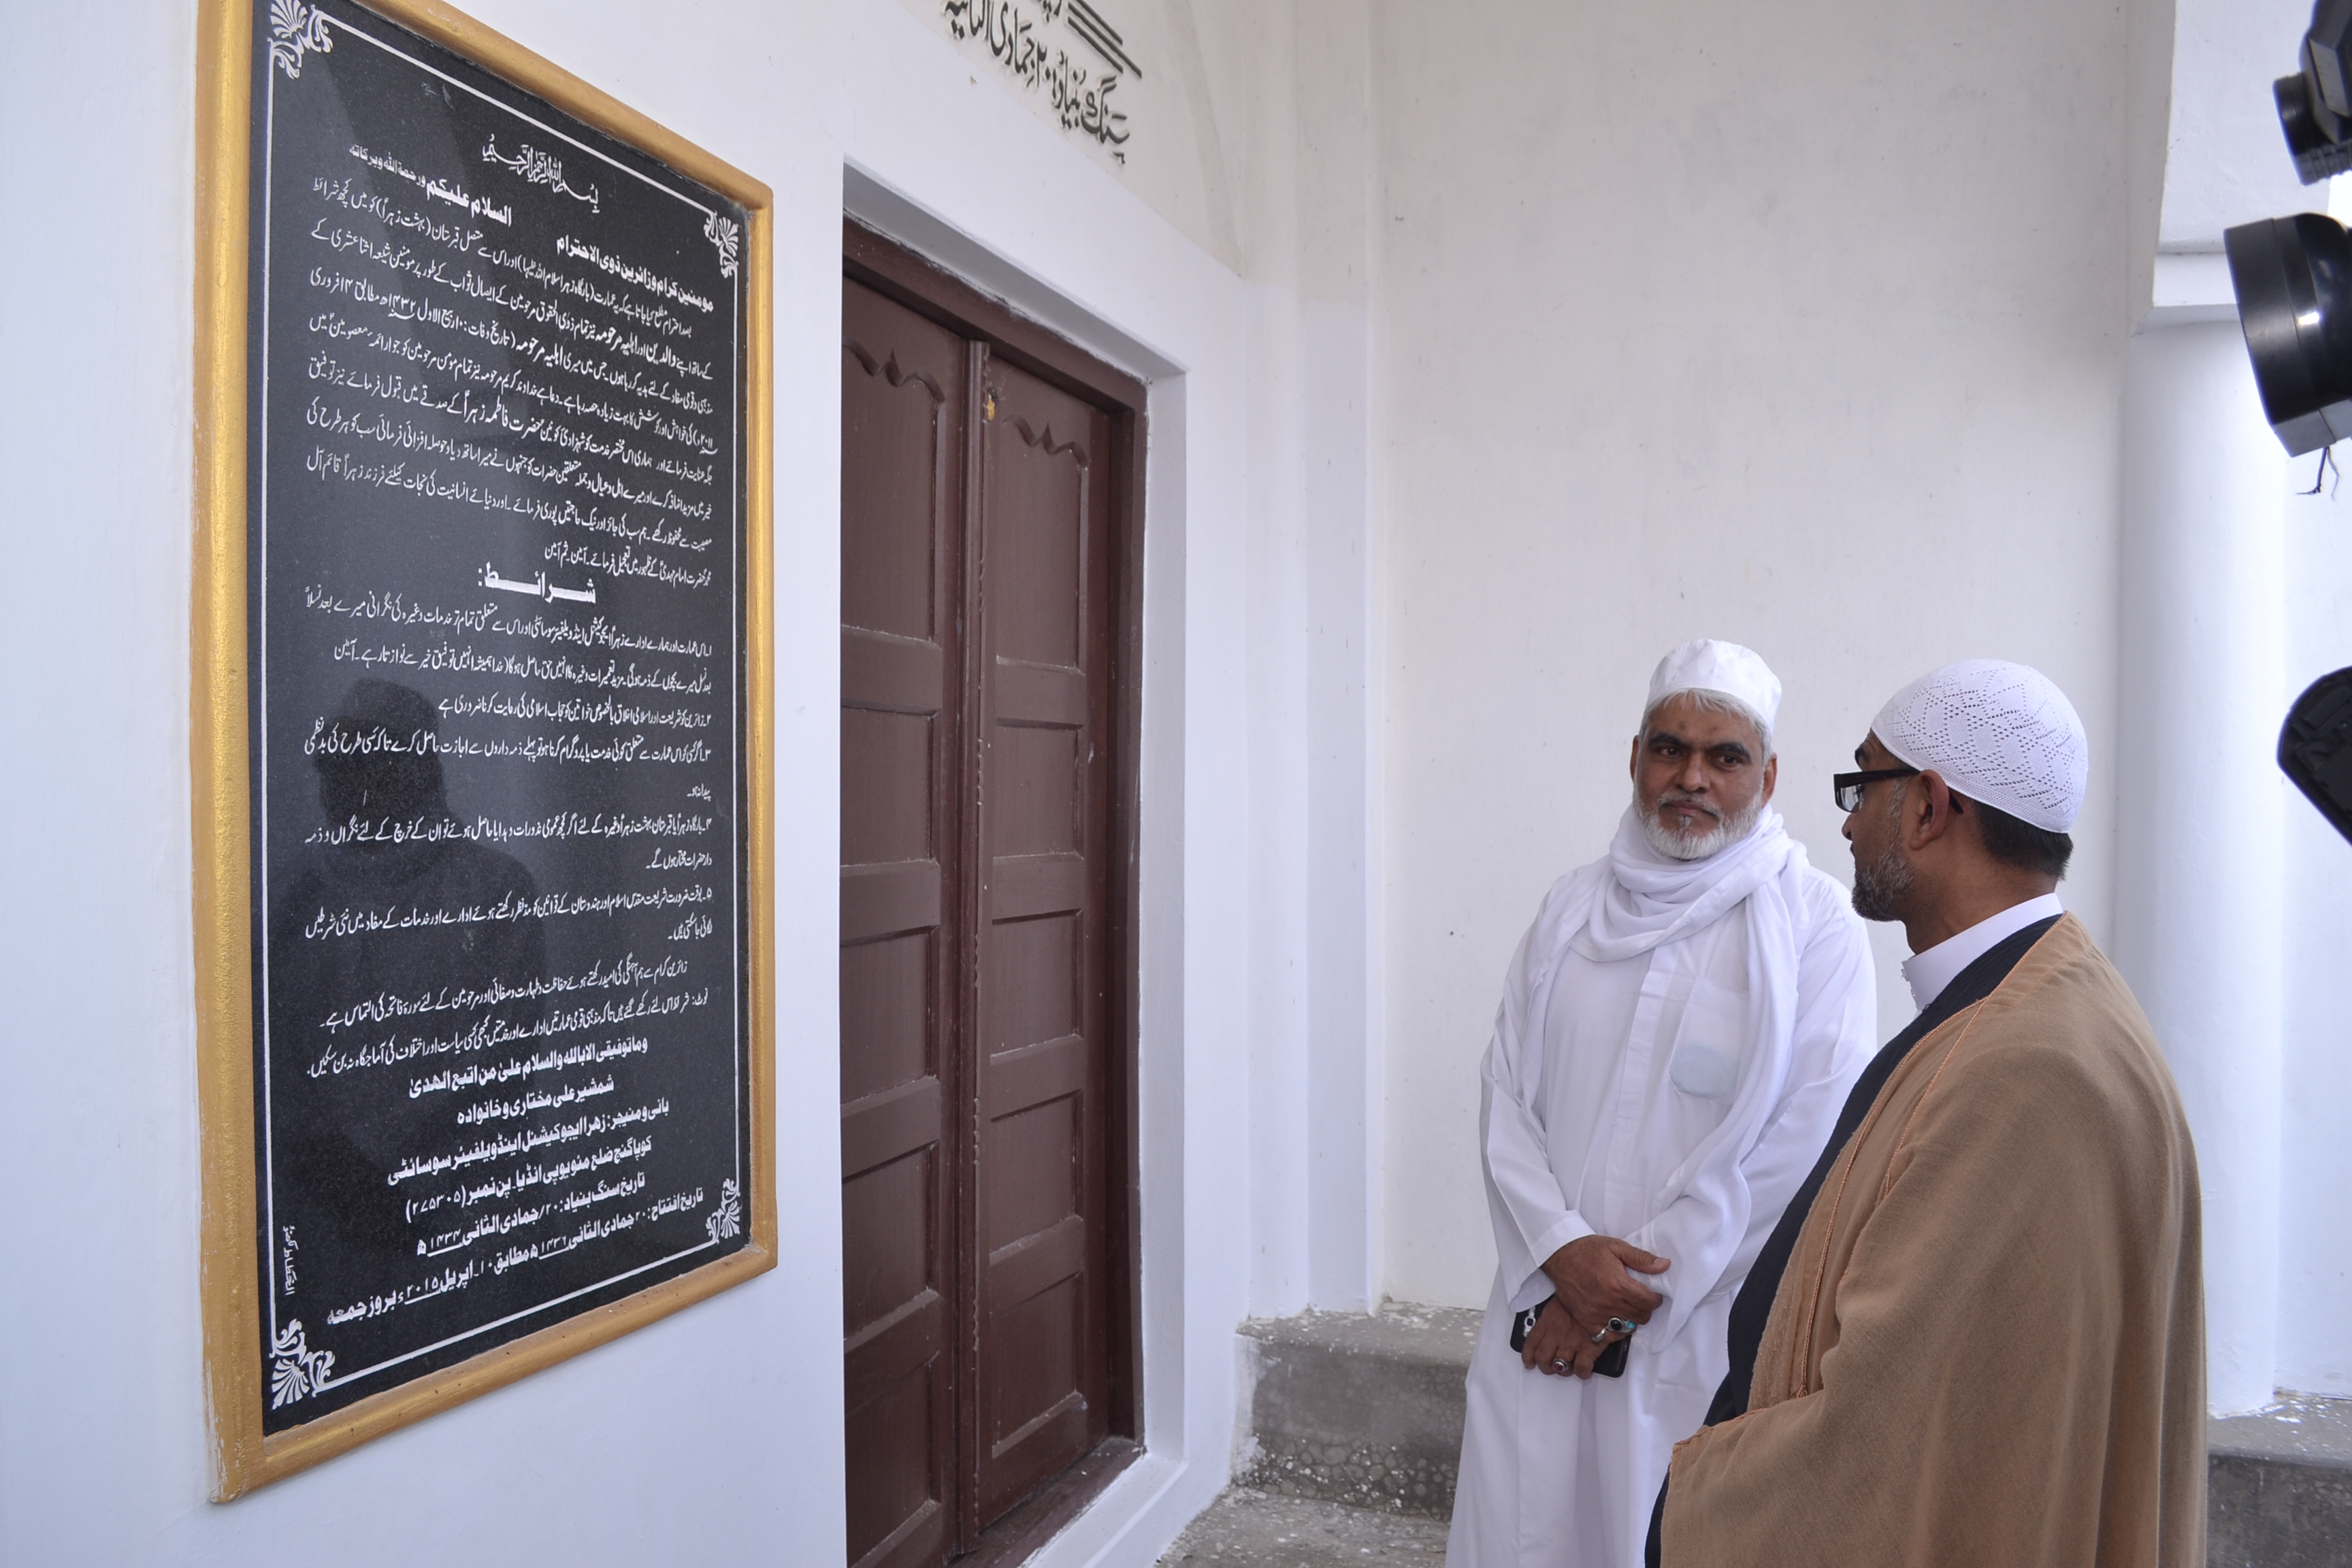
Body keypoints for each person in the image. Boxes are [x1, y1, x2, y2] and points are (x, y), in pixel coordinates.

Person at [1655, 659, 2205, 1567]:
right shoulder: (2030, 1009)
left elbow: (1891, 1428)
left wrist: (1692, 1512)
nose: (1847, 820)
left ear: (1926, 807)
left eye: (1864, 784)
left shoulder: (2027, 1068)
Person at [1448, 640, 1878, 1568]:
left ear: (1768, 777)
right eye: (1669, 749)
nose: (1692, 778)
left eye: (1725, 757)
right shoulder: (1570, 909)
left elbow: (1805, 1145)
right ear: (1635, 758)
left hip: (1692, 1334)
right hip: (1540, 1314)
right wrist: (1560, 1254)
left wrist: (1621, 1297)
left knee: (1660, 1536)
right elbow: (1505, 1097)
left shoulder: (1814, 926)